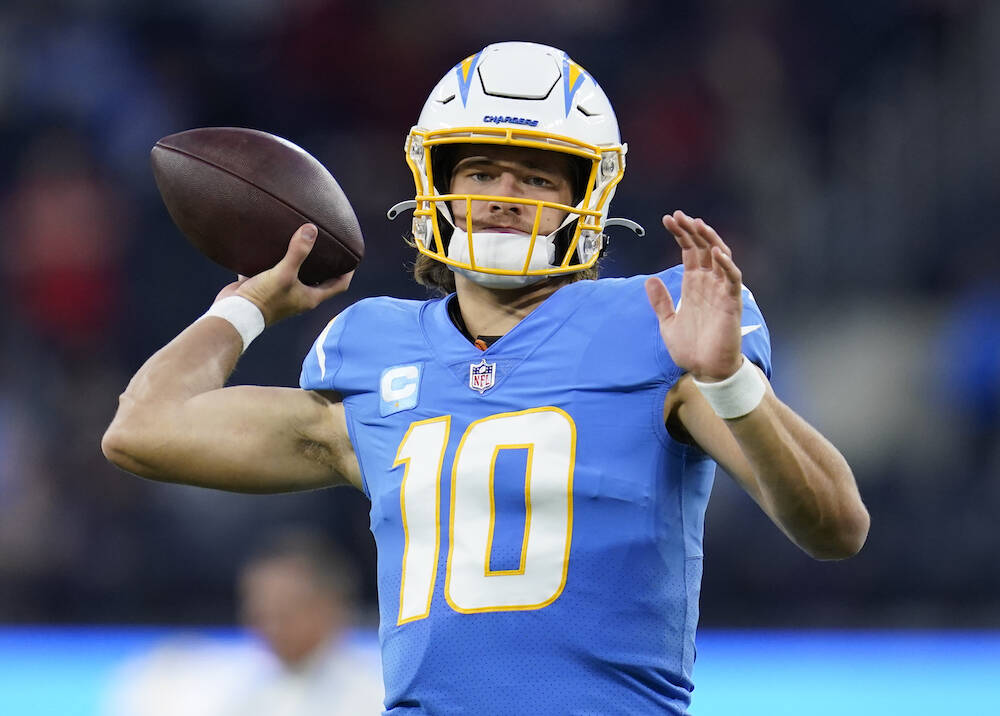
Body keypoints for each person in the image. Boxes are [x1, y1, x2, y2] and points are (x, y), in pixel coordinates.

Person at [103, 41, 869, 714]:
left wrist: (730, 381)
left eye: (537, 178)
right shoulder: (375, 350)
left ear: (584, 200)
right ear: (440, 185)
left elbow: (837, 526)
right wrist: (245, 310)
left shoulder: (655, 326)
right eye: (482, 170)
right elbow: (141, 430)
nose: (505, 195)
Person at [221, 529, 383, 716]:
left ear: (330, 606)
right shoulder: (235, 690)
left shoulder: (374, 697)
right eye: (261, 614)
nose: (271, 627)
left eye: (284, 613)